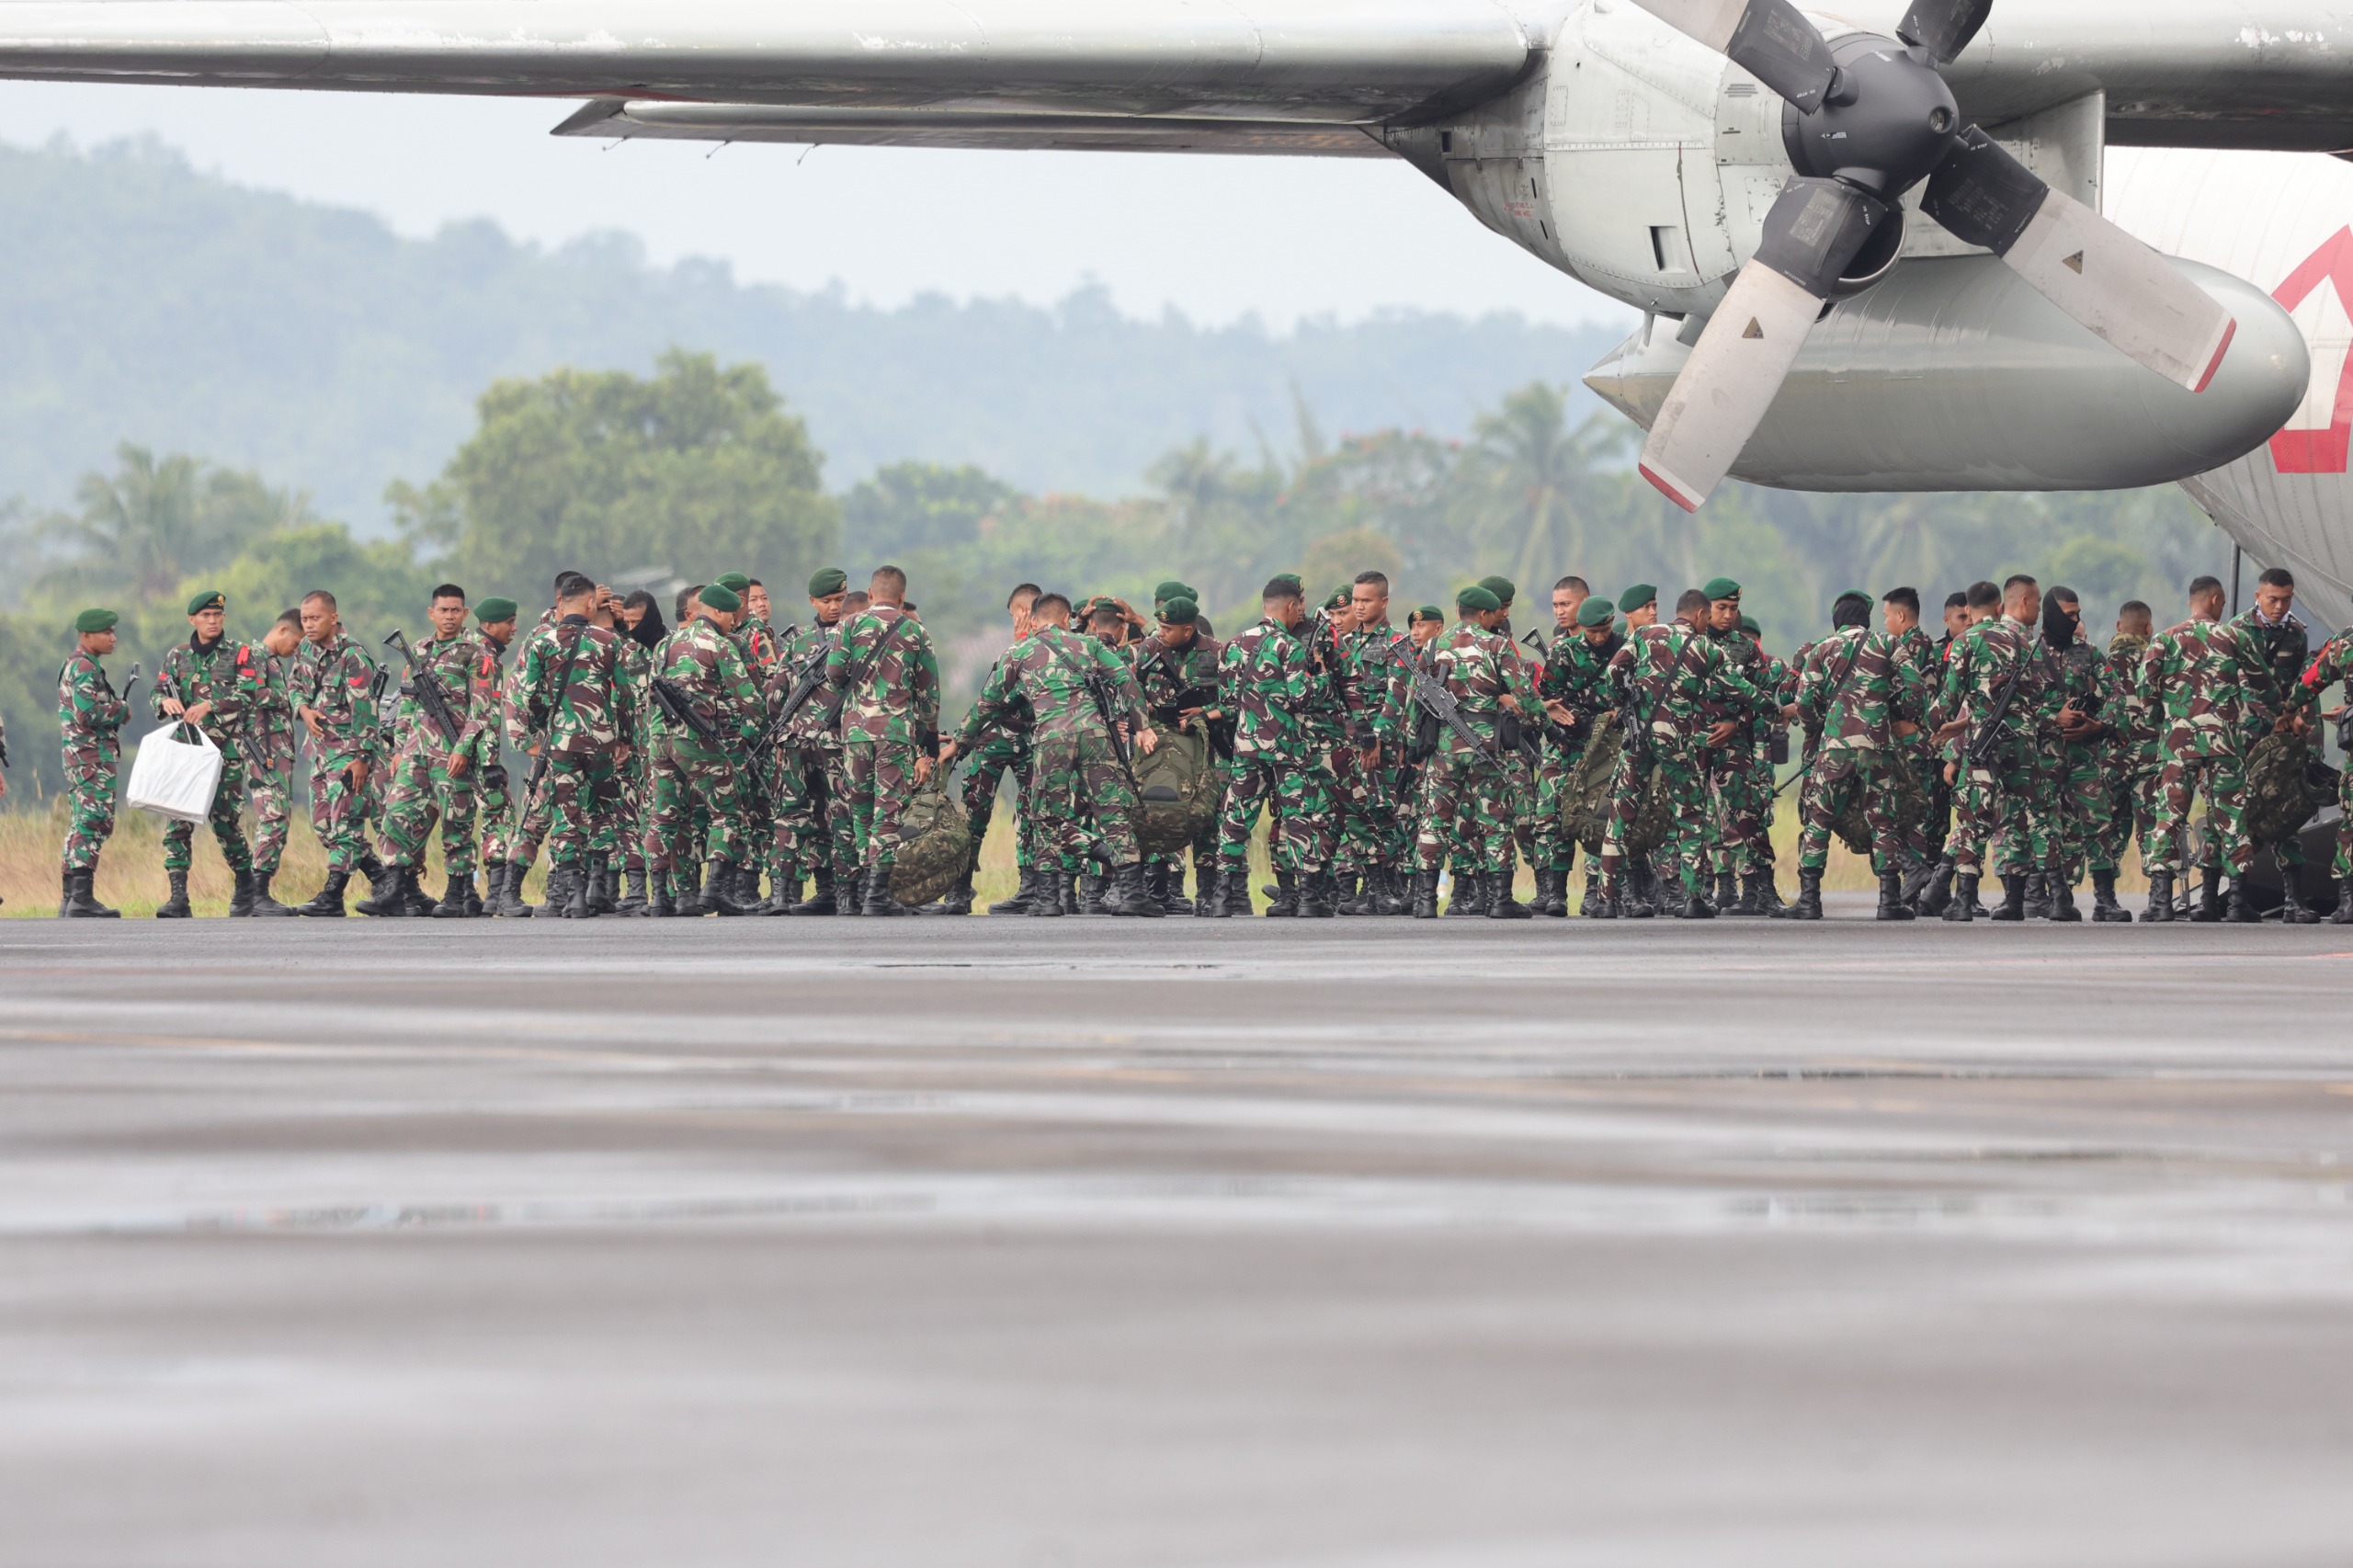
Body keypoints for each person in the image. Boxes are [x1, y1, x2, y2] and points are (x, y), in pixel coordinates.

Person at [947, 590, 1164, 916]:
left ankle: (1048, 900)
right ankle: (1132, 893)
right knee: (1112, 812)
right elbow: (1125, 678)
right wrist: (1142, 726)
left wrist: (959, 742)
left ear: (1034, 620)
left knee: (1048, 815)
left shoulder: (1019, 651)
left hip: (1051, 739)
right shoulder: (1089, 645)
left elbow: (987, 703)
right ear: (1067, 619)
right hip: (1094, 735)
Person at [1595, 585, 1773, 919]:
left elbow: (1614, 672)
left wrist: (1621, 703)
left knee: (1621, 815)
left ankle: (1606, 900)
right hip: (1677, 742)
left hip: (1638, 737)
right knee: (1690, 817)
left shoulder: (1645, 634)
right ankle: (1693, 899)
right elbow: (1744, 691)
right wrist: (1769, 707)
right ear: (1701, 615)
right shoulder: (1708, 649)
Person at [2139, 574, 2279, 922]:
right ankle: (2236, 902)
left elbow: (2145, 691)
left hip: (2178, 743)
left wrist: (2166, 720)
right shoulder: (2234, 636)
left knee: (2169, 816)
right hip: (2224, 743)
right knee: (2231, 817)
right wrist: (2276, 710)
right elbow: (2263, 683)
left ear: (2193, 601)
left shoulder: (2165, 639)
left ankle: (2160, 901)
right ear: (2216, 600)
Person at [1788, 590, 1927, 921]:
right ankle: (1889, 900)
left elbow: (1805, 703)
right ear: (1865, 618)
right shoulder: (1887, 644)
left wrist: (1817, 729)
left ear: (1838, 621)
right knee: (1883, 821)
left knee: (1819, 820)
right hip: (1877, 747)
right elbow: (1916, 687)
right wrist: (1898, 715)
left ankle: (1809, 900)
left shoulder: (1820, 650)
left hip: (1834, 749)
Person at [506, 573, 636, 917]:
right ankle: (596, 886)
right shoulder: (610, 642)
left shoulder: (543, 642)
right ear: (592, 603)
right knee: (602, 813)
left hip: (561, 743)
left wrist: (532, 735)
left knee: (566, 816)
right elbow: (626, 695)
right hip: (602, 743)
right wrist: (625, 738)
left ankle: (574, 895)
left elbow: (524, 693)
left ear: (561, 603)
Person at [1410, 585, 1541, 918]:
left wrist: (1418, 742)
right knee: (1495, 820)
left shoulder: (1432, 645)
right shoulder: (1497, 645)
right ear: (1483, 615)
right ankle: (1499, 901)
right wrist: (1539, 719)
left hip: (1444, 747)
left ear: (1458, 612)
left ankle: (1425, 901)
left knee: (1434, 819)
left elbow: (1416, 700)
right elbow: (1524, 695)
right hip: (1488, 745)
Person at [1213, 574, 1339, 916]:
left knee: (1236, 817)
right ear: (1292, 606)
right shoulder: (1289, 646)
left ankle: (1224, 897)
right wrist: (1324, 678)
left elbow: (1226, 699)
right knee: (1299, 817)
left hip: (1246, 746)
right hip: (1287, 748)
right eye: (1300, 606)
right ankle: (1308, 899)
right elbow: (1302, 698)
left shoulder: (1233, 644)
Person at [1928, 576, 2049, 922]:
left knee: (1971, 819)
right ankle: (2038, 898)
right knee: (2032, 818)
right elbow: (2038, 696)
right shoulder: (2025, 642)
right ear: (1999, 608)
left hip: (1985, 744)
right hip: (2023, 744)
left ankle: (1963, 901)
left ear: (1967, 610)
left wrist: (1930, 722)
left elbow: (1949, 699)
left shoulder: (1967, 641)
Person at [370, 584, 494, 917]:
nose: (449, 616)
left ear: (465, 613)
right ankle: (394, 887)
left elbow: (481, 710)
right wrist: (398, 750)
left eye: (456, 610)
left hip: (453, 752)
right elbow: (407, 704)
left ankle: (457, 891)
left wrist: (464, 749)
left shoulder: (475, 653)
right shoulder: (418, 651)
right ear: (432, 613)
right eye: (443, 610)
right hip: (416, 752)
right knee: (395, 811)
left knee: (457, 821)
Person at [825, 564, 941, 915]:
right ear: (902, 596)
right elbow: (929, 693)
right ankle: (878, 893)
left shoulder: (848, 625)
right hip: (895, 733)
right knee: (887, 808)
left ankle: (864, 884)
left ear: (871, 594)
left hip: (856, 732)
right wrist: (928, 734)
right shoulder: (916, 632)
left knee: (860, 805)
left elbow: (833, 675)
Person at [650, 581, 766, 915]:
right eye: (732, 614)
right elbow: (749, 699)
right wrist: (762, 717)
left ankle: (666, 896)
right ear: (717, 612)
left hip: (660, 738)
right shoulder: (720, 644)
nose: (734, 620)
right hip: (696, 739)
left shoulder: (666, 643)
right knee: (727, 811)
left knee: (666, 817)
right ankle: (714, 890)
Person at [150, 588, 258, 917]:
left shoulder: (240, 653)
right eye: (206, 616)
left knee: (225, 823)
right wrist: (163, 702)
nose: (213, 621)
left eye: (218, 615)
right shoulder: (177, 656)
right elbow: (158, 690)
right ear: (192, 619)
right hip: (187, 751)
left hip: (224, 753)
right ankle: (178, 897)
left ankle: (245, 887)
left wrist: (212, 705)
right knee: (178, 822)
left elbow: (250, 692)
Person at [1131, 594, 1230, 915]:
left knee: (1207, 814)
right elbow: (1132, 688)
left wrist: (1206, 712)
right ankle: (1155, 888)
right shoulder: (1150, 649)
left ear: (1188, 630)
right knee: (1157, 806)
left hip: (1202, 747)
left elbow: (1237, 699)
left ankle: (1206, 893)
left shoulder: (1216, 653)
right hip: (1159, 746)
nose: (1160, 632)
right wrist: (1142, 712)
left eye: (1168, 628)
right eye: (1159, 626)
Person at [288, 590, 383, 916]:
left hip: (349, 751)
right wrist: (303, 710)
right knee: (323, 826)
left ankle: (332, 897)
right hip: (320, 751)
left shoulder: (353, 656)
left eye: (315, 618)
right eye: (304, 619)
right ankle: (384, 878)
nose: (309, 625)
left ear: (334, 617)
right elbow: (295, 685)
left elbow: (366, 711)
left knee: (345, 823)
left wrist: (362, 759)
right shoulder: (305, 648)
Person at [57, 608, 129, 917]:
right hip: (91, 757)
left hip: (81, 757)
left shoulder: (77, 664)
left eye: (113, 632)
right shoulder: (85, 667)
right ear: (87, 635)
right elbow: (86, 714)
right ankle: (82, 898)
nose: (113, 638)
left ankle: (70, 897)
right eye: (106, 633)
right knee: (93, 820)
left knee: (80, 822)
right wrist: (119, 710)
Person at [238, 608, 305, 916]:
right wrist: (291, 697)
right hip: (262, 752)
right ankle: (257, 895)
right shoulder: (254, 656)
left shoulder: (274, 664)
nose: (297, 649)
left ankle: (254, 894)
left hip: (276, 753)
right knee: (274, 818)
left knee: (279, 818)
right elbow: (247, 692)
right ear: (282, 631)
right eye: (297, 640)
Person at [466, 598, 527, 916]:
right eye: (509, 622)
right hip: (474, 752)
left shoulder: (463, 647)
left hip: (443, 750)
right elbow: (484, 713)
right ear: (489, 626)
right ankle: (498, 895)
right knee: (500, 815)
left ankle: (463, 894)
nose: (514, 628)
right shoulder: (485, 656)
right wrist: (490, 762)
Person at [2290, 619, 2353, 922]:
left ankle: (2348, 901)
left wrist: (2288, 709)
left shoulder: (2344, 643)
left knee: (2350, 817)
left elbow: (2310, 681)